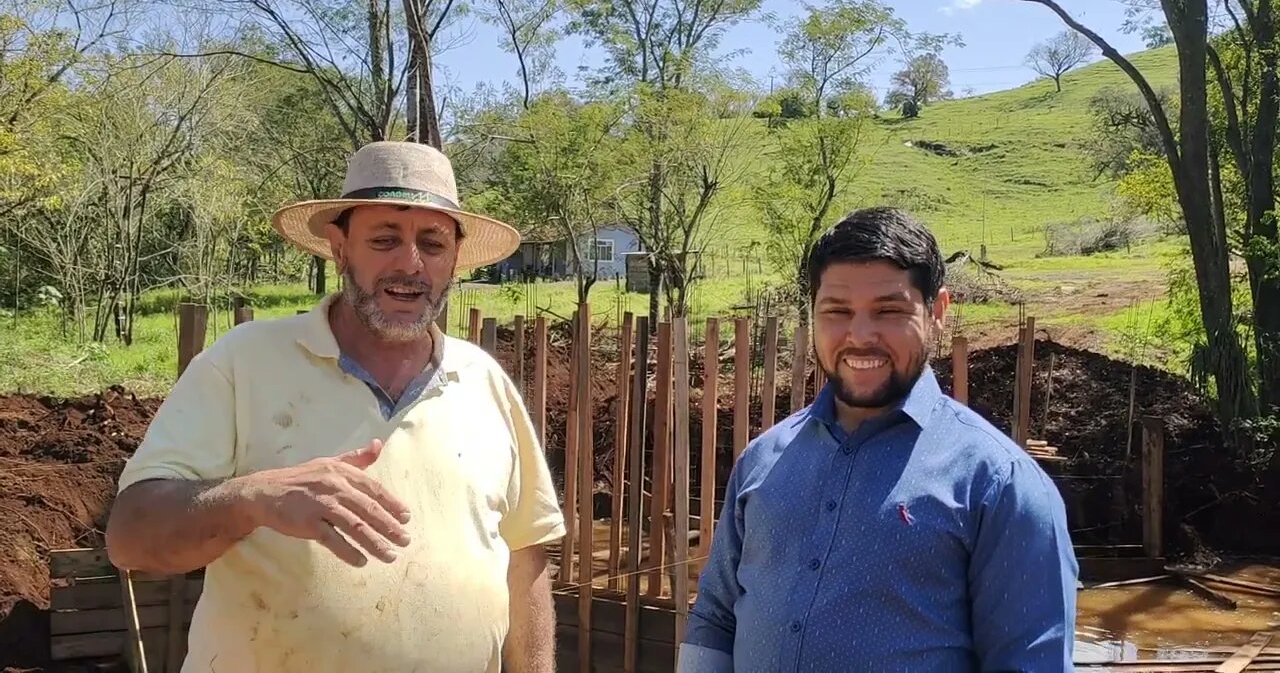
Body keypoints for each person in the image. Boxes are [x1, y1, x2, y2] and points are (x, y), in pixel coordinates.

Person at [105, 141, 565, 673]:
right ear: (340, 248)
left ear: (454, 259)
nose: (410, 264)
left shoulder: (484, 380)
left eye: (432, 244)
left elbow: (525, 558)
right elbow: (130, 538)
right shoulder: (244, 362)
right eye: (385, 239)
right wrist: (252, 497)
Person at [679, 207, 1078, 672]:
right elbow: (716, 618)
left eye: (889, 311)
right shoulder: (763, 460)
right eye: (838, 311)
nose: (860, 335)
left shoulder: (999, 484)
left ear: (938, 312)